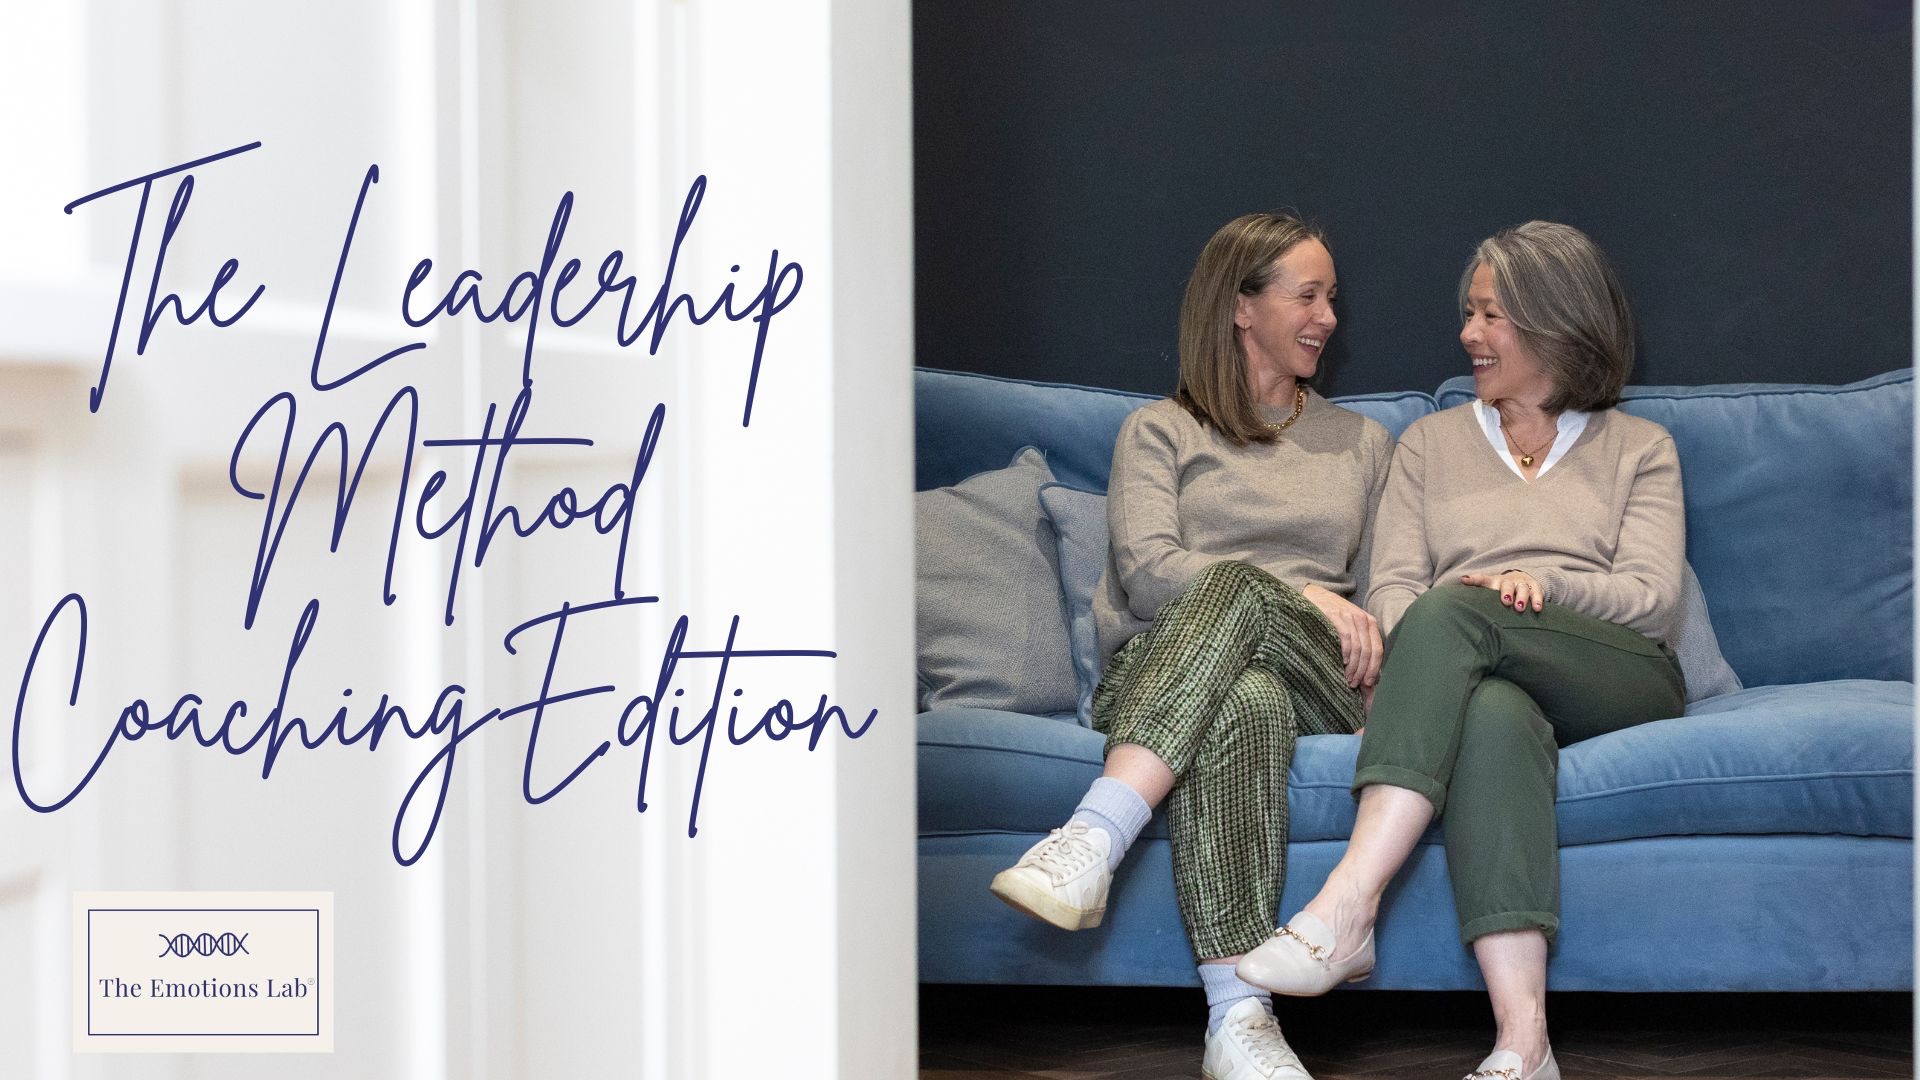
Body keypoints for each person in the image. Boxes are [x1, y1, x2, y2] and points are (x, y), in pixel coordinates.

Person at [1234, 221, 1686, 1080]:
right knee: (1490, 714)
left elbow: (1654, 600)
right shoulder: (1430, 446)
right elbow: (1393, 589)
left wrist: (1540, 585)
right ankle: (1525, 1044)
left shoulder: (1639, 449)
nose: (1468, 334)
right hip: (1478, 664)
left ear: (1555, 322)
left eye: (1490, 316)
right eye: (1469, 313)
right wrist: (1433, 661)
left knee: (1454, 611)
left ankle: (1350, 901)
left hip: (1615, 670)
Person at [989, 212, 1393, 1080]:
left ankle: (1097, 834)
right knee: (1243, 693)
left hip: (1317, 672)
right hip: (1163, 667)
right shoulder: (1159, 430)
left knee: (1241, 596)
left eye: (1332, 298)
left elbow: (1385, 594)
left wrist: (1371, 665)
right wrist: (1298, 586)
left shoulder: (1363, 443)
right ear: (1242, 307)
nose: (1328, 317)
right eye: (1307, 296)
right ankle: (1238, 1019)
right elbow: (1146, 574)